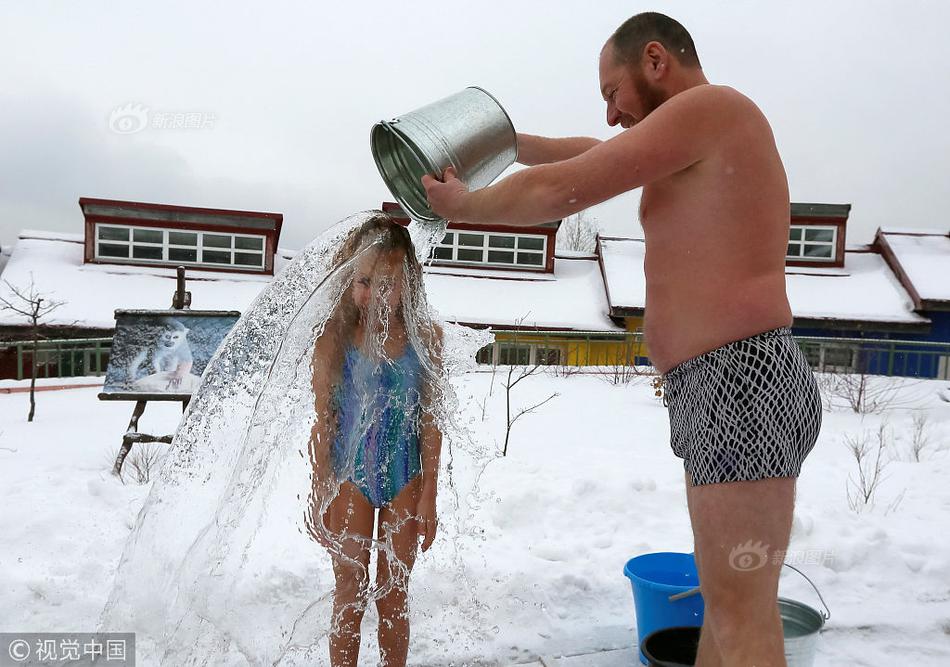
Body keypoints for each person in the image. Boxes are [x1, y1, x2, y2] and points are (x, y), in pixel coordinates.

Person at [422, 12, 821, 666]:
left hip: (741, 380)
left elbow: (564, 186)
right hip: (721, 386)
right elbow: (584, 151)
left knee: (743, 615)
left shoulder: (716, 110)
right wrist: (507, 143)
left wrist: (464, 207)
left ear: (656, 61)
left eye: (614, 92)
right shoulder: (691, 140)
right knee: (727, 609)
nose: (610, 114)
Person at [305, 214, 443, 667]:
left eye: (388, 284)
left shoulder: (425, 339)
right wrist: (319, 486)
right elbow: (324, 419)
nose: (375, 294)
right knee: (349, 593)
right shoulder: (333, 338)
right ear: (348, 279)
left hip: (406, 477)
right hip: (349, 477)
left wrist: (429, 494)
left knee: (393, 596)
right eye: (364, 281)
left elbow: (431, 420)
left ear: (409, 286)